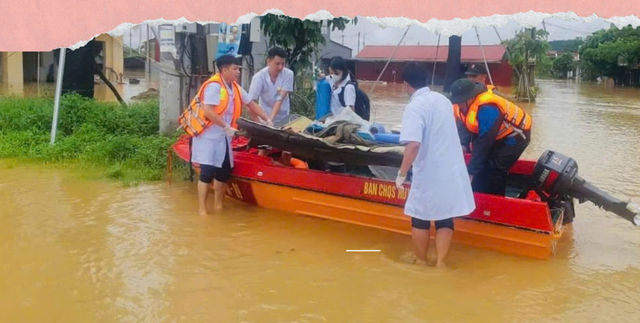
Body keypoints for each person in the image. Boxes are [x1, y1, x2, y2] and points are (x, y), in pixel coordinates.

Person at [396, 63, 476, 268]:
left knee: (420, 217)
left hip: (430, 171)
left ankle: (421, 261)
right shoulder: (443, 100)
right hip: (450, 168)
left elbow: (413, 145)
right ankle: (441, 263)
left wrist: (401, 173)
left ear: (406, 85)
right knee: (445, 217)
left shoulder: (415, 107)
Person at [182, 55, 273, 215]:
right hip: (208, 136)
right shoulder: (214, 86)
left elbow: (251, 104)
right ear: (224, 70)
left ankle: (219, 206)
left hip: (224, 137)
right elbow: (208, 111)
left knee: (224, 171)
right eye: (235, 68)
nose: (238, 72)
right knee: (207, 171)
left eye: (238, 68)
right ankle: (202, 210)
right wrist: (226, 127)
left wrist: (268, 120)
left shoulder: (235, 87)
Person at [448, 78, 532, 197]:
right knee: (483, 164)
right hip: (496, 134)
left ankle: (496, 203)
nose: (459, 104)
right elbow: (465, 125)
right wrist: (464, 145)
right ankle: (479, 194)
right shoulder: (461, 107)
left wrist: (471, 172)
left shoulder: (488, 109)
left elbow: (484, 142)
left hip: (516, 136)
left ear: (470, 98)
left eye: (461, 101)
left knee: (496, 168)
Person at [248, 47, 295, 124]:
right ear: (268, 61)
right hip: (263, 117)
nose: (280, 67)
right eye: (277, 64)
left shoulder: (288, 74)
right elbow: (251, 103)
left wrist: (270, 119)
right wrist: (259, 121)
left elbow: (279, 99)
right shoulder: (259, 77)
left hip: (283, 117)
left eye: (283, 64)